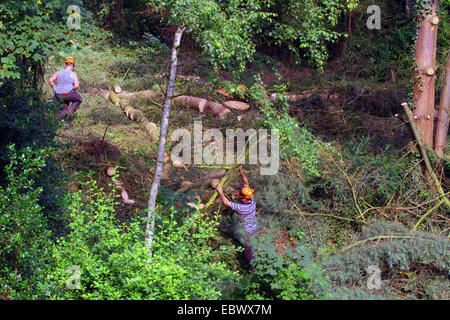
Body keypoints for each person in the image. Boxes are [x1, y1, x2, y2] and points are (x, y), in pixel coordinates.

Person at [214, 165, 258, 264]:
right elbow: (246, 183)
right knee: (253, 245)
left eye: (240, 196)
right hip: (254, 228)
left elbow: (226, 203)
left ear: (244, 199)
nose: (238, 196)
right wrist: (241, 171)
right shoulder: (252, 198)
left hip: (248, 232)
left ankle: (251, 267)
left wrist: (220, 191)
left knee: (248, 250)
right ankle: (255, 258)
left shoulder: (243, 208)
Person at [48, 56, 82, 121]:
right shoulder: (72, 74)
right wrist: (71, 90)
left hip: (58, 94)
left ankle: (60, 124)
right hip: (68, 93)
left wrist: (54, 87)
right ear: (72, 65)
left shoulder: (58, 72)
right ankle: (70, 113)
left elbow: (50, 80)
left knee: (63, 110)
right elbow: (77, 85)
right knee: (79, 99)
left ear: (66, 64)